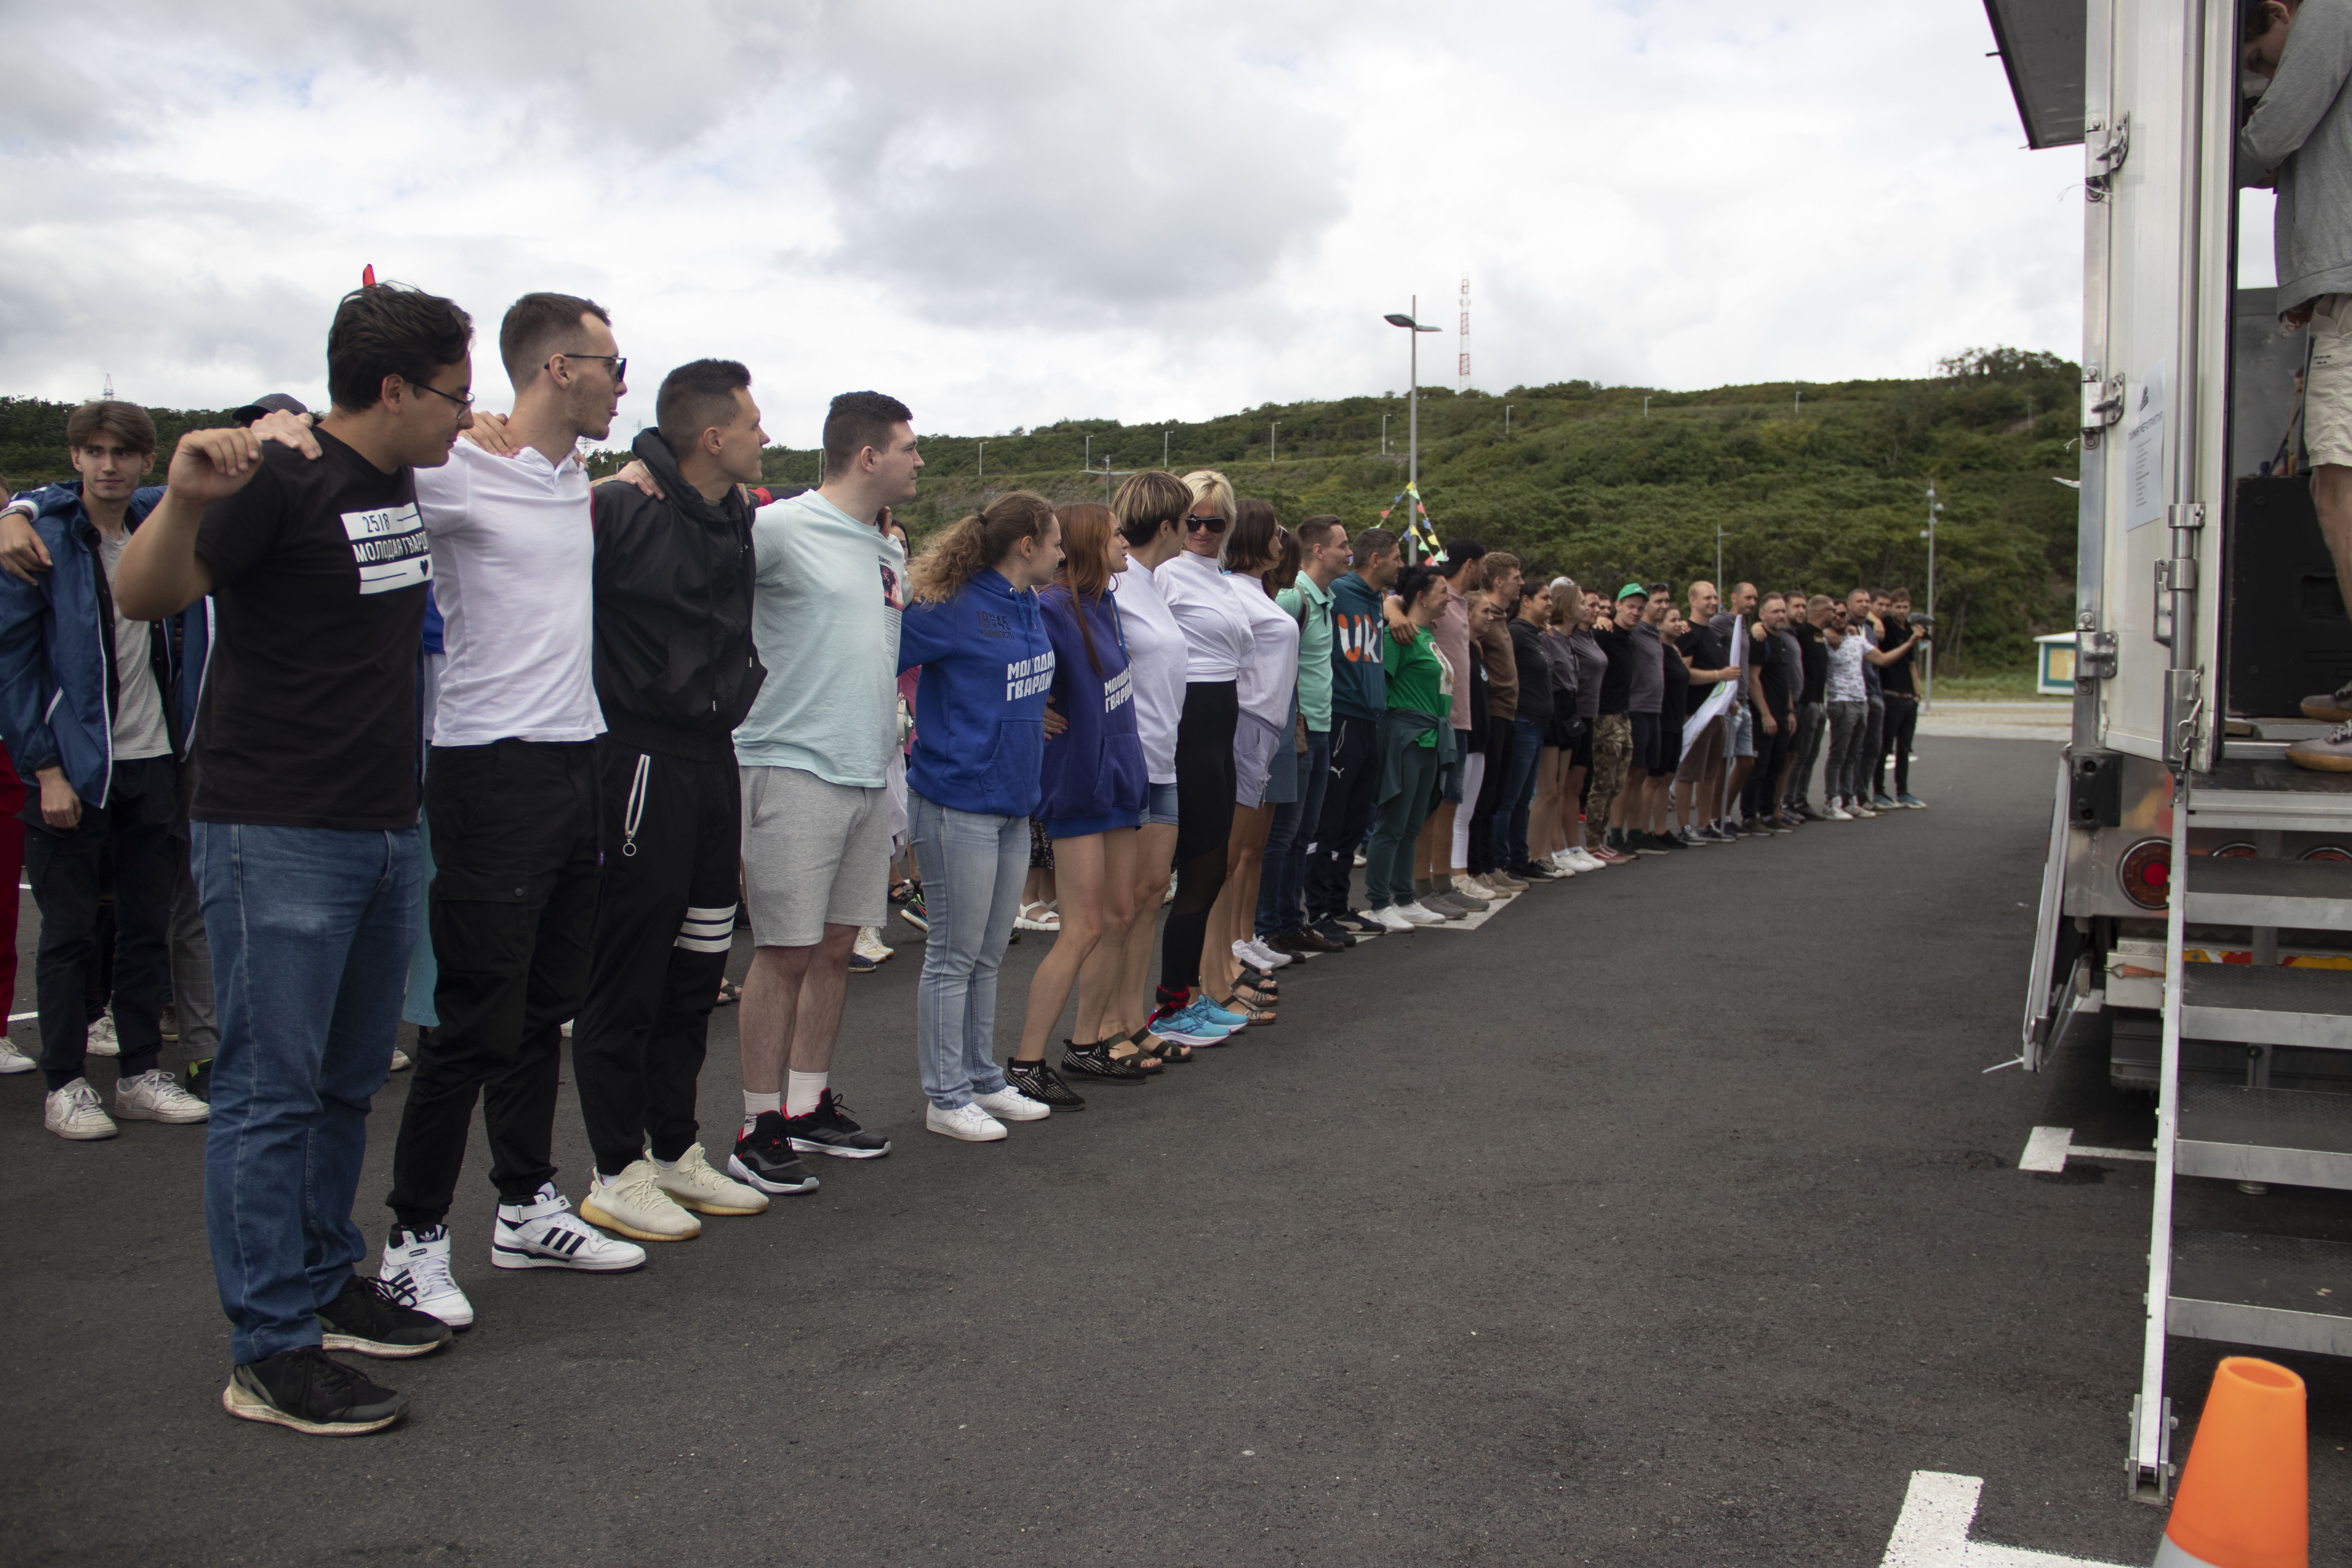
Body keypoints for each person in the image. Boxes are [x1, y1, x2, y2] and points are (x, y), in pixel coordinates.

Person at [114, 280, 467, 1435]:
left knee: (343, 1079)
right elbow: (145, 588)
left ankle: (325, 1282)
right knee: (268, 1092)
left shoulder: (396, 469)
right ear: (392, 390)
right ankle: (268, 1346)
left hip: (381, 826)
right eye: (455, 397)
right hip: (275, 828)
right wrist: (179, 497)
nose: (467, 417)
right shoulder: (278, 478)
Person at [380, 293, 652, 1316]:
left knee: (546, 1007)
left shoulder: (570, 472)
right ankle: (411, 1238)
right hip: (488, 769)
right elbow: (326, 473)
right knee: (473, 1021)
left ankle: (526, 1205)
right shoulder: (453, 466)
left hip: (575, 759)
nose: (624, 386)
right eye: (614, 367)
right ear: (558, 369)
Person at [0, 398, 210, 1138]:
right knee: (68, 932)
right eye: (93, 451)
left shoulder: (162, 522)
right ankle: (64, 1083)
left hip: (153, 760)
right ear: (75, 460)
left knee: (146, 926)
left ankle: (138, 1073)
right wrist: (46, 768)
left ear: (146, 460)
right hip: (75, 769)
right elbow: (14, 666)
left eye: (122, 452)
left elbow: (216, 480)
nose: (108, 465)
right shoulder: (43, 538)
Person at [733, 392, 917, 1168]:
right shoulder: (777, 526)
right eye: (908, 447)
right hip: (790, 761)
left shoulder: (887, 550)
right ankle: (757, 1124)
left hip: (866, 769)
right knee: (784, 948)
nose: (917, 460)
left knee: (838, 944)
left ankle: (808, 1103)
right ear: (868, 455)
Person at [897, 492, 1063, 1141]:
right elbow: (883, 655)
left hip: (1013, 804)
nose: (1061, 552)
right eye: (1054, 540)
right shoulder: (954, 605)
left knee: (990, 952)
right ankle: (945, 1095)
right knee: (954, 952)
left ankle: (983, 1079)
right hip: (956, 799)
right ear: (1027, 545)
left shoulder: (1027, 604)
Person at [2240, 0, 2352, 767]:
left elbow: (2272, 136)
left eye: (2265, 59)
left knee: (2340, 487)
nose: (2269, 79)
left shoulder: (2334, 9)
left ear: (2282, 10)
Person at [1006, 502, 1148, 1101]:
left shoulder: (1105, 604)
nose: (1126, 541)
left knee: (1119, 915)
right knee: (1082, 925)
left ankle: (1087, 1043)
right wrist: (1026, 709)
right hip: (1077, 785)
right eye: (1116, 532)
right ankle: (1026, 1061)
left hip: (1118, 780)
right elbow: (1003, 666)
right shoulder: (1052, 606)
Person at [1071, 471, 1206, 1062]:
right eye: (1188, 522)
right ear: (1168, 525)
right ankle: (1097, 1027)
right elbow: (1067, 643)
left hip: (1164, 755)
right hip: (1129, 759)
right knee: (1119, 908)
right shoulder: (1116, 587)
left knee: (1151, 894)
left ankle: (1129, 1017)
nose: (1195, 532)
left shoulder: (1152, 584)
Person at [1148, 471, 1254, 1042]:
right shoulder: (1165, 575)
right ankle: (1168, 1006)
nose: (1204, 531)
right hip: (1188, 724)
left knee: (1212, 868)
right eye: (1193, 520)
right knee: (1189, 870)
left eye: (1216, 521)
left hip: (1224, 726)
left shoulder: (1219, 577)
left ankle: (1181, 997)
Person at [1202, 504, 1300, 1015]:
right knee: (1226, 857)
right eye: (1277, 532)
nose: (1283, 540)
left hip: (1264, 730)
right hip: (1244, 724)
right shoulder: (1231, 591)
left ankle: (1226, 961)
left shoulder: (1254, 591)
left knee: (1237, 854)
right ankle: (1216, 969)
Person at [1305, 527, 1401, 942]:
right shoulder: (1337, 590)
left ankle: (1340, 903)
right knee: (1330, 818)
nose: (1402, 564)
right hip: (1341, 715)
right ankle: (1317, 909)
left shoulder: (1378, 601)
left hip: (1371, 717)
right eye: (1397, 557)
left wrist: (1393, 608)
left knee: (1355, 819)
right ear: (1376, 559)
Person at [1260, 515, 1350, 955]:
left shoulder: (1325, 598)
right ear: (1318, 550)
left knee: (1303, 833)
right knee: (1282, 834)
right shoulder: (1296, 598)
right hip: (1297, 728)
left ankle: (1290, 921)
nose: (1349, 551)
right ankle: (1268, 925)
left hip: (1320, 727)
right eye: (1343, 544)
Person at [1362, 564, 1455, 930]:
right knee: (1392, 823)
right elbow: (1378, 685)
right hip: (1407, 736)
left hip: (1432, 738)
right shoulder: (1400, 634)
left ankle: (1404, 897)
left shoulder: (1427, 636)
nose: (1448, 598)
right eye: (1443, 591)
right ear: (1422, 597)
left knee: (1413, 824)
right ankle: (1379, 902)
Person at [1463, 552, 1532, 885]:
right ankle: (1476, 867)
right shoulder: (1479, 613)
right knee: (1482, 797)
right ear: (1499, 581)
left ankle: (1490, 865)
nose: (1522, 583)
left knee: (1497, 796)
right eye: (1516, 577)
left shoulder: (1502, 617)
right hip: (1489, 713)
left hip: (1508, 713)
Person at [1673, 581, 1740, 844]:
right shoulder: (1688, 633)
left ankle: (1704, 823)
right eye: (1707, 598)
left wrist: (1727, 698)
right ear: (1692, 600)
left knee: (1710, 772)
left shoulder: (1711, 633)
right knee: (1689, 772)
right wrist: (1718, 675)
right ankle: (1683, 826)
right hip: (1695, 714)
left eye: (1715, 598)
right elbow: (1684, 674)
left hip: (1717, 714)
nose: (1713, 602)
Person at [1500, 578, 1556, 878]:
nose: (1550, 603)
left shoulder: (1535, 635)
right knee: (1511, 797)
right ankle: (1503, 860)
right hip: (1522, 722)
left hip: (1538, 724)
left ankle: (1520, 859)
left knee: (1524, 798)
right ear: (1526, 601)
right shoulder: (1517, 633)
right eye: (1545, 598)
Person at [1586, 585, 1642, 859]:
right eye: (1631, 606)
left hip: (1623, 715)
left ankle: (1601, 839)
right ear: (1618, 605)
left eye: (1640, 608)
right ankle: (1592, 843)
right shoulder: (1603, 633)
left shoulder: (1631, 638)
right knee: (1603, 782)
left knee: (1617, 783)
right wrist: (1597, 620)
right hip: (1604, 717)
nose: (1636, 612)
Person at [1742, 594, 1798, 831]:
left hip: (1782, 714)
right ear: (1762, 615)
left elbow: (1783, 680)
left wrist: (1790, 711)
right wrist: (1765, 714)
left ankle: (1768, 813)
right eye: (1775, 612)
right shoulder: (1759, 640)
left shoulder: (1781, 641)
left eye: (1783, 611)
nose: (1781, 616)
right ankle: (1748, 817)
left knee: (1777, 766)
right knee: (1759, 767)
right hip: (1764, 716)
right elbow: (1753, 679)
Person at [1872, 587, 1929, 808]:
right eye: (1897, 607)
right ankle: (1879, 791)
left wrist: (1917, 694)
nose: (1901, 611)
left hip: (1908, 697)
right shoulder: (1884, 626)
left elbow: (1913, 665)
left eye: (1905, 607)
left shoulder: (1910, 631)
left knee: (1905, 747)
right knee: (1884, 746)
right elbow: (1870, 611)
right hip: (1891, 694)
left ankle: (1903, 791)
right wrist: (1876, 621)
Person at [1711, 581, 1760, 833]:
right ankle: (1715, 818)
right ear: (1734, 597)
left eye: (1755, 599)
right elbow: (1710, 650)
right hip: (1728, 701)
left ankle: (1726, 814)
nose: (1752, 602)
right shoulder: (1721, 622)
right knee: (1723, 763)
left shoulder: (1744, 626)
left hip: (1744, 700)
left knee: (1746, 762)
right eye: (1748, 598)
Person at [1782, 595, 1831, 818]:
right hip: (1804, 702)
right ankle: (1787, 801)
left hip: (1820, 702)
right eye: (1797, 606)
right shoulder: (1798, 634)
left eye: (1804, 606)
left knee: (1812, 755)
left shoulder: (1819, 635)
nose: (1801, 610)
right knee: (1799, 755)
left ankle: (1801, 800)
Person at [1821, 595, 1870, 818]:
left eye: (1843, 615)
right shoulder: (1822, 638)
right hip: (1840, 701)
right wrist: (1824, 631)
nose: (1839, 618)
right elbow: (1804, 631)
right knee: (1838, 755)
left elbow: (1883, 659)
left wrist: (1910, 642)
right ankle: (1832, 801)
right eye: (1835, 614)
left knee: (1852, 756)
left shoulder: (1856, 638)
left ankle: (1849, 799)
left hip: (1861, 701)